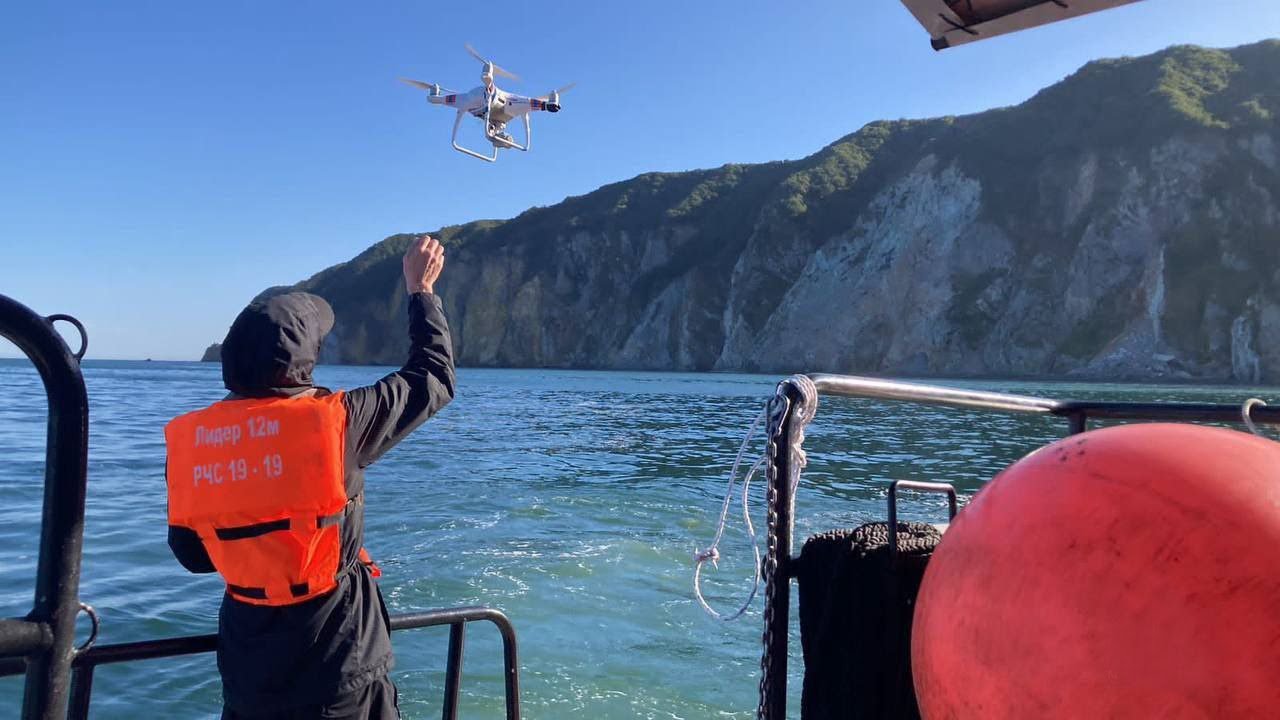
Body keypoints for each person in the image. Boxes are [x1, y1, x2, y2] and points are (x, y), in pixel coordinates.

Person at [164, 235, 453, 719]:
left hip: (248, 667)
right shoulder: (339, 422)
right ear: (302, 363)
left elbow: (192, 555)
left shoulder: (192, 442)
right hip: (338, 660)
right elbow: (433, 376)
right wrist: (420, 292)